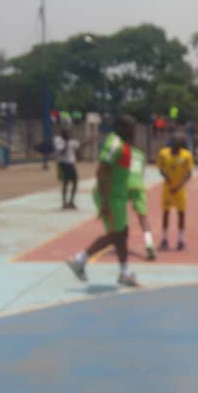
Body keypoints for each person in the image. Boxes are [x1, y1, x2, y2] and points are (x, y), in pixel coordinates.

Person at [66, 115, 139, 287]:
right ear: (121, 128)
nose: (134, 131)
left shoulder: (123, 145)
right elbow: (101, 172)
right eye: (131, 128)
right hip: (111, 196)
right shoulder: (115, 145)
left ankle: (124, 272)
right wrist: (105, 202)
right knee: (116, 234)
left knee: (122, 233)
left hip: (117, 196)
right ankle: (80, 260)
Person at [156, 135, 194, 250]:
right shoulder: (163, 153)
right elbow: (160, 168)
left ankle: (181, 241)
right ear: (171, 144)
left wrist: (178, 186)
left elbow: (189, 174)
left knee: (181, 214)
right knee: (166, 213)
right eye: (175, 146)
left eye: (179, 146)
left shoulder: (186, 155)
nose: (176, 149)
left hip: (179, 190)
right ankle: (164, 240)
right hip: (168, 189)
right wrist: (165, 177)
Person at [126, 143, 157, 261]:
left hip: (124, 184)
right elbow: (142, 173)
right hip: (138, 185)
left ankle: (120, 241)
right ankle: (149, 244)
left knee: (120, 215)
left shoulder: (122, 151)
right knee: (143, 218)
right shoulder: (140, 155)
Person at [54, 128, 81, 209]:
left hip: (71, 164)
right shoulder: (58, 141)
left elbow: (78, 146)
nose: (68, 135)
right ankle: (64, 203)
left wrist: (89, 142)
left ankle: (71, 201)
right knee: (65, 182)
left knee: (75, 182)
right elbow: (61, 152)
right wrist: (66, 143)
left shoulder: (71, 141)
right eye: (66, 134)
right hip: (63, 163)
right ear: (62, 134)